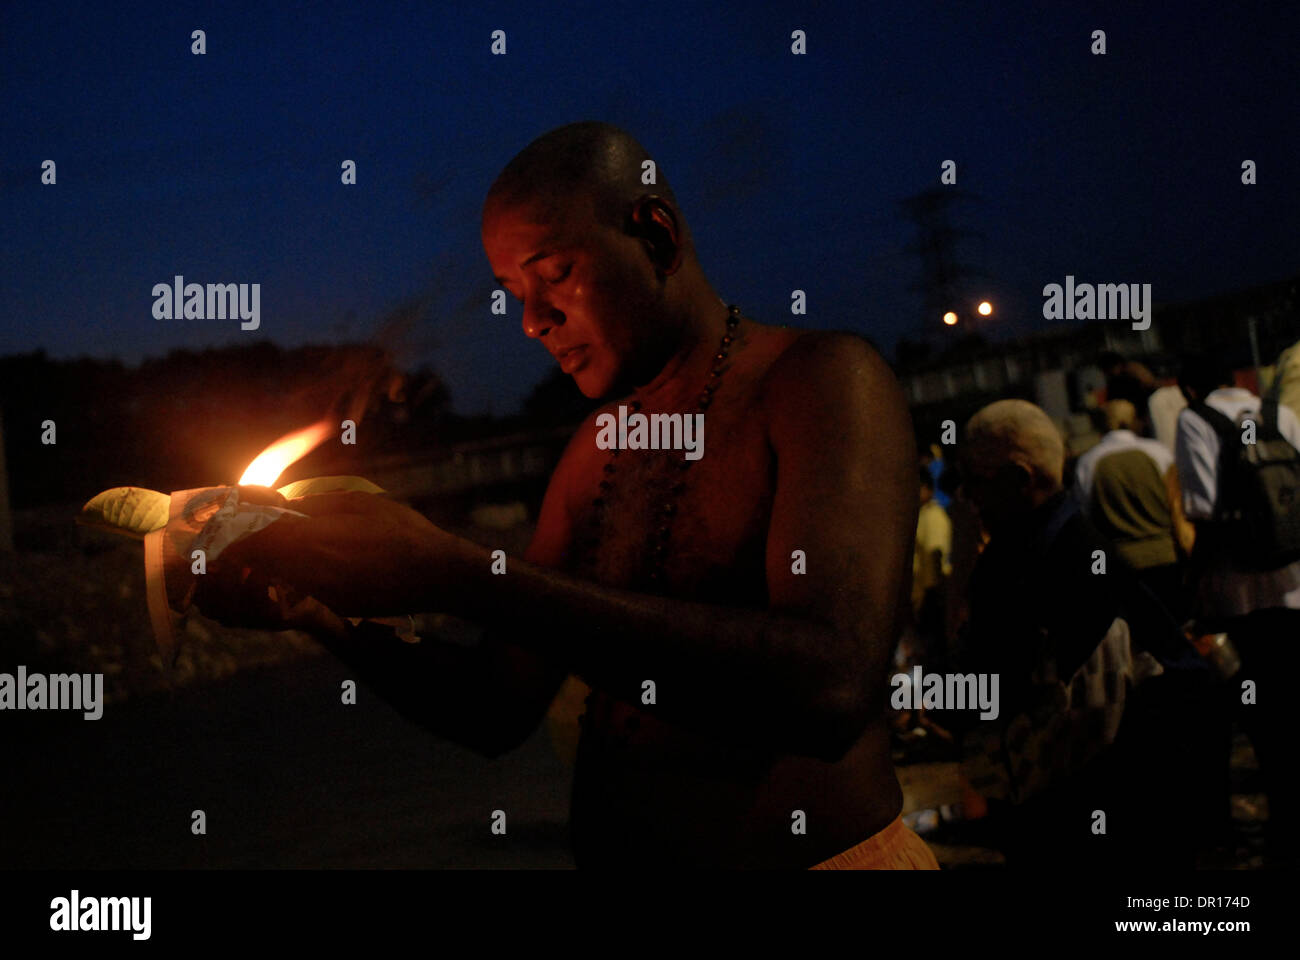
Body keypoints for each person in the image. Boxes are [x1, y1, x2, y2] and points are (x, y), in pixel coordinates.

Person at [200, 122, 937, 869]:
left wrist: (452, 572)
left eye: (552, 274)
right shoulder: (595, 453)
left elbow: (831, 688)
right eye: (514, 293)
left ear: (655, 236)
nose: (531, 321)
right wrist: (318, 613)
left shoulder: (819, 383)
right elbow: (494, 705)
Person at [953, 399, 1206, 866]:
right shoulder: (1048, 545)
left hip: (1078, 808)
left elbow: (1043, 704)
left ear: (1020, 479)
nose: (967, 497)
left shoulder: (1053, 562)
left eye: (975, 481)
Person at [1175, 354, 1300, 867]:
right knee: (1290, 716)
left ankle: (1246, 838)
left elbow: (1202, 510)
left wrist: (1193, 593)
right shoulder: (1278, 414)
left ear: (1188, 387)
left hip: (1237, 599)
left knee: (1247, 720)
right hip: (1294, 590)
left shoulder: (1195, 420)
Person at [1073, 399, 1191, 620]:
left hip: (1121, 563)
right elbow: (1178, 506)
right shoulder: (1160, 453)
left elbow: (1086, 521)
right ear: (1133, 421)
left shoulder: (1088, 463)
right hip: (1165, 556)